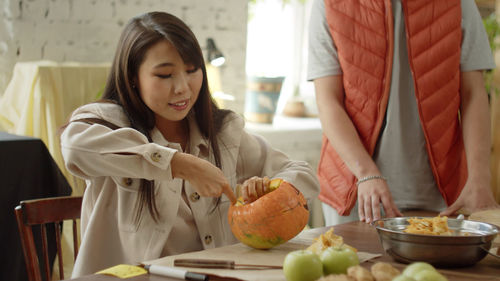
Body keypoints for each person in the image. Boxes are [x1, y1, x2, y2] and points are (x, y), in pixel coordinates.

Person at [60, 11, 319, 277]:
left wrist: (271, 192)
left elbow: (303, 174)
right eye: (164, 75)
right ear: (133, 78)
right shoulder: (106, 123)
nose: (183, 87)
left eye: (192, 70)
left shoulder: (222, 132)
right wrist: (179, 164)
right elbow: (75, 149)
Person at [308, 0, 500, 226]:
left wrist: (479, 179)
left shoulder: (458, 3)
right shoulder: (328, 3)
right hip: (357, 192)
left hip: (442, 197)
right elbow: (328, 101)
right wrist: (366, 173)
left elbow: (473, 95)